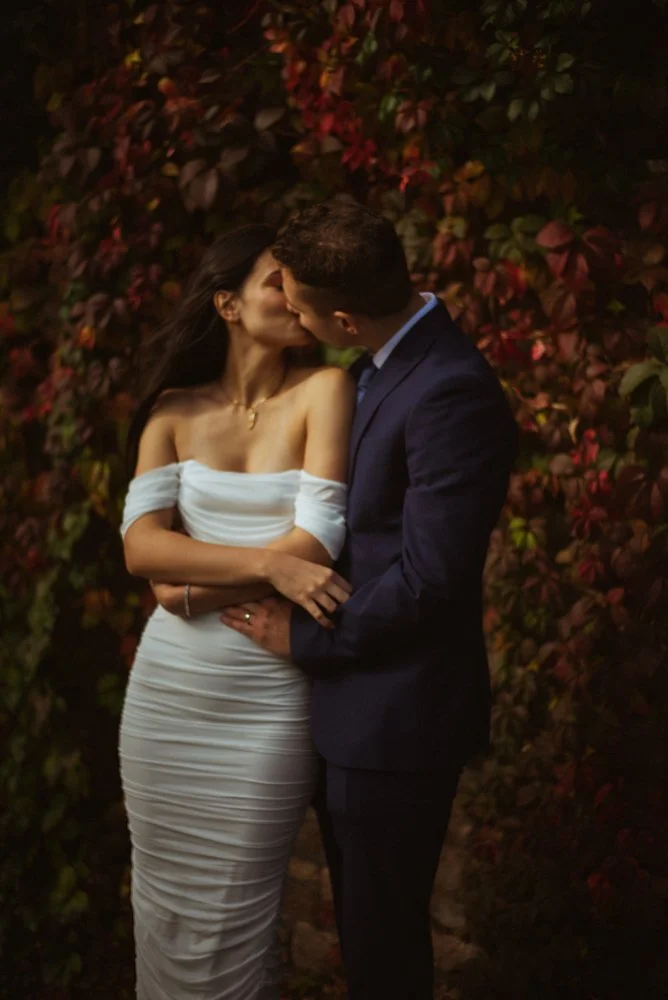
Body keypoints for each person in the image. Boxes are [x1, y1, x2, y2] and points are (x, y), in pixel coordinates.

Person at [221, 200, 518, 1000]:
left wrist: (305, 638)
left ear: (342, 314)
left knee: (383, 948)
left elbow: (430, 578)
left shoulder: (451, 392)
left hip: (397, 719)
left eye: (296, 299)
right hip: (350, 706)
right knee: (363, 935)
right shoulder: (372, 366)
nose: (286, 307)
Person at [117, 223, 355, 1000]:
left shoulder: (326, 389)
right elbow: (142, 551)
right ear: (226, 303)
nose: (295, 297)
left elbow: (317, 542)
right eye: (275, 282)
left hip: (267, 693)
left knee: (235, 916)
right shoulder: (173, 411)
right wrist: (266, 564)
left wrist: (191, 589)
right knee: (163, 913)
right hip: (169, 693)